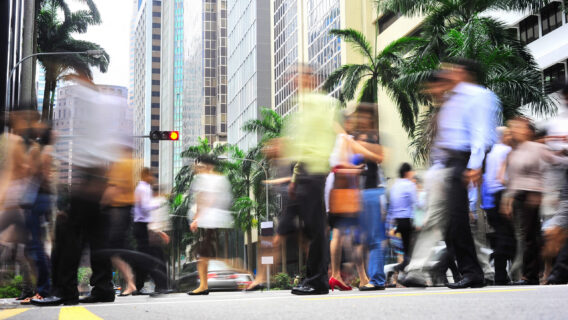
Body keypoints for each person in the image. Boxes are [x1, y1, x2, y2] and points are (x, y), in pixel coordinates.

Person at [400, 58, 499, 289]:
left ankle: (474, 272)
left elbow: (480, 133)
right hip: (447, 165)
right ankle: (474, 272)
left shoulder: (478, 97)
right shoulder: (451, 100)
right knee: (455, 222)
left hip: (463, 161)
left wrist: (474, 165)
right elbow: (444, 141)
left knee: (458, 221)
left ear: (463, 72)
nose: (446, 74)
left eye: (450, 70)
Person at [33, 76, 120, 306]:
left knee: (68, 235)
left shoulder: (93, 105)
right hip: (98, 177)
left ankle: (65, 291)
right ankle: (103, 288)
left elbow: (92, 146)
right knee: (97, 239)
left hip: (90, 177)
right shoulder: (109, 106)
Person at [279, 64, 340, 295]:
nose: (293, 80)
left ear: (311, 79)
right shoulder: (303, 107)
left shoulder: (322, 104)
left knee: (315, 229)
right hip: (304, 171)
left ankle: (318, 281)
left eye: (299, 75)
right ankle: (312, 278)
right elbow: (301, 145)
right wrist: (295, 176)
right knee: (309, 229)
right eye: (292, 75)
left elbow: (329, 137)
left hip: (314, 170)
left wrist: (316, 168)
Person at [501, 116, 568, 285]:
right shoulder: (514, 151)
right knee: (525, 238)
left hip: (533, 196)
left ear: (527, 131)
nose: (515, 130)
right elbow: (512, 180)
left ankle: (531, 276)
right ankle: (531, 274)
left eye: (518, 127)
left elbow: (557, 162)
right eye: (513, 127)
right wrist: (507, 200)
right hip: (518, 197)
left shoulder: (537, 148)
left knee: (531, 238)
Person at [187, 157, 233, 295]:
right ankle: (204, 285)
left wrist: (196, 218)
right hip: (219, 220)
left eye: (201, 165)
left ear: (207, 166)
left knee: (202, 255)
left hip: (208, 221)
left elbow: (203, 198)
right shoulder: (221, 179)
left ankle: (203, 286)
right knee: (205, 254)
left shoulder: (203, 179)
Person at [101, 145, 137, 296]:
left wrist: (101, 204)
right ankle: (130, 282)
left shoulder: (120, 163)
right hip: (126, 209)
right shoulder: (134, 164)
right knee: (117, 251)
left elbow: (113, 188)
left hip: (117, 211)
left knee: (113, 252)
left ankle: (130, 282)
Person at [481, 127, 515, 285]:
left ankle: (501, 274)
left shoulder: (490, 154)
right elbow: (505, 178)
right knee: (508, 236)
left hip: (491, 199)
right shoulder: (507, 150)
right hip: (504, 195)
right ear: (503, 136)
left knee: (503, 235)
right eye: (508, 134)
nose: (510, 136)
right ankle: (502, 268)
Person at [133, 168, 168, 295]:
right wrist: (159, 204)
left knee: (145, 257)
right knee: (151, 258)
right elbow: (145, 207)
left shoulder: (141, 187)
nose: (153, 178)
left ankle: (139, 286)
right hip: (144, 227)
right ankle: (160, 285)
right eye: (151, 175)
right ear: (146, 175)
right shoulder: (145, 188)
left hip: (142, 226)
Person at [387, 163, 416, 274]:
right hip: (407, 221)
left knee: (405, 249)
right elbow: (416, 203)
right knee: (409, 250)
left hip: (398, 222)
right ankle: (401, 268)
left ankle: (402, 268)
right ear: (407, 173)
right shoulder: (409, 185)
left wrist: (390, 226)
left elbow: (391, 207)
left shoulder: (394, 186)